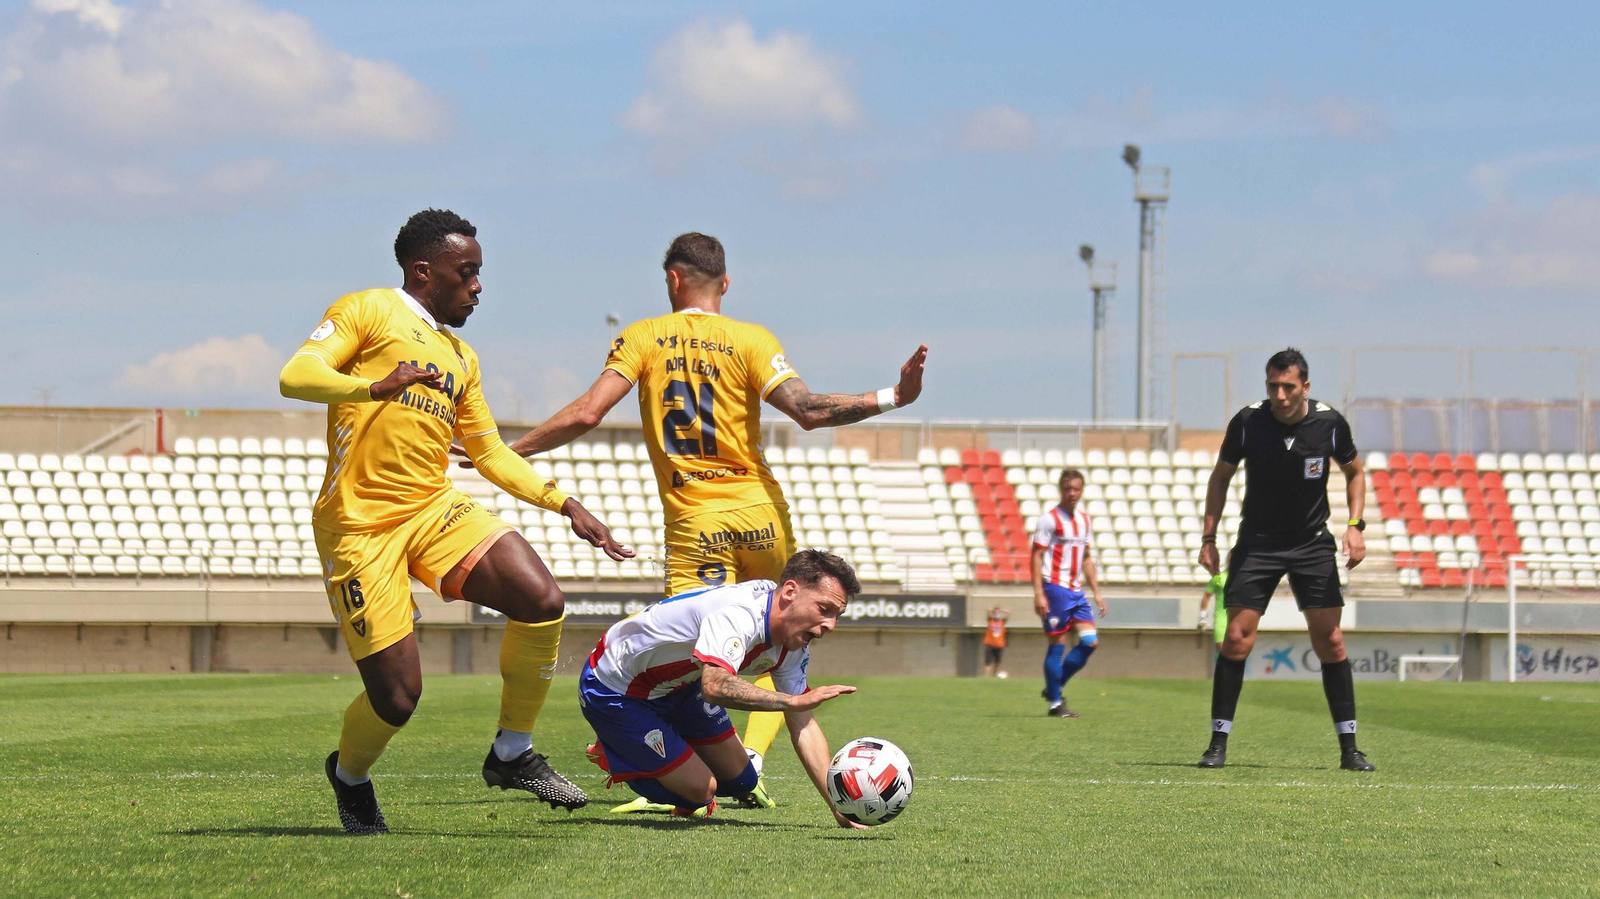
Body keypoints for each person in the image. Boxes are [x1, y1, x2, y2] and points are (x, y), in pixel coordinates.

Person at [479, 232, 926, 803]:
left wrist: (508, 451)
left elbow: (588, 413)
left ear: (673, 279)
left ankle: (668, 761)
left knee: (699, 650)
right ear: (726, 284)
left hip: (697, 520)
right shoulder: (752, 339)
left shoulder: (643, 336)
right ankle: (738, 762)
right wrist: (894, 396)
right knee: (779, 638)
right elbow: (809, 410)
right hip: (762, 514)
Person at [278, 209, 632, 834]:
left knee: (541, 599)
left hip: (433, 507)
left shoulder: (460, 356)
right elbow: (295, 376)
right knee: (397, 699)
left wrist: (566, 504)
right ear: (423, 271)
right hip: (361, 525)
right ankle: (350, 776)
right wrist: (373, 388)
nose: (477, 285)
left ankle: (512, 751)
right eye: (466, 272)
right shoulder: (367, 310)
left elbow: (489, 452)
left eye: (478, 273)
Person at [579, 550, 868, 827]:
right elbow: (715, 686)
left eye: (837, 615)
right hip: (616, 686)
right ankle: (616, 749)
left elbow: (803, 724)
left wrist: (839, 808)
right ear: (790, 591)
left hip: (680, 686)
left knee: (743, 781)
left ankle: (666, 753)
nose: (831, 625)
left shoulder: (793, 642)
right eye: (824, 610)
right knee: (701, 790)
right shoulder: (739, 613)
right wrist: (789, 702)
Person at [1195, 347, 1373, 771]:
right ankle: (1217, 744)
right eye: (1273, 386)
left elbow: (1355, 473)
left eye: (1288, 387)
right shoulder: (1248, 422)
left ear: (1304, 387)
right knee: (1236, 638)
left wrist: (1355, 525)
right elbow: (1220, 477)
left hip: (1311, 543)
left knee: (1331, 641)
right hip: (1257, 542)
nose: (1279, 395)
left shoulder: (1329, 423)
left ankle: (1350, 749)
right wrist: (1209, 537)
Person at [1029, 468, 1106, 718]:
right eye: (1067, 489)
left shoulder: (1085, 521)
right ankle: (1055, 704)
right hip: (1055, 588)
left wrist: (1097, 592)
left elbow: (1087, 557)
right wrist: (1039, 593)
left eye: (1076, 489)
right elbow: (1036, 556)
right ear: (1061, 490)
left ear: (1082, 491)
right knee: (1057, 644)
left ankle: (1054, 687)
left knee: (1090, 642)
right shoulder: (1049, 519)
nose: (1072, 493)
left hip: (1076, 590)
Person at [1198, 570, 1228, 654]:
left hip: (1238, 620)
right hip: (1221, 620)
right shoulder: (1219, 578)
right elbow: (1207, 596)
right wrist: (1203, 617)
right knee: (1222, 651)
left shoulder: (1242, 577)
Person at [982, 606, 1010, 677]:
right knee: (988, 662)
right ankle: (986, 676)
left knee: (997, 661)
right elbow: (988, 611)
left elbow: (1008, 613)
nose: (997, 613)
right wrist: (993, 610)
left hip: (999, 644)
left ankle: (994, 674)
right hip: (990, 644)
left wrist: (1001, 610)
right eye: (995, 612)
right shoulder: (991, 620)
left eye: (998, 612)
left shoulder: (1002, 621)